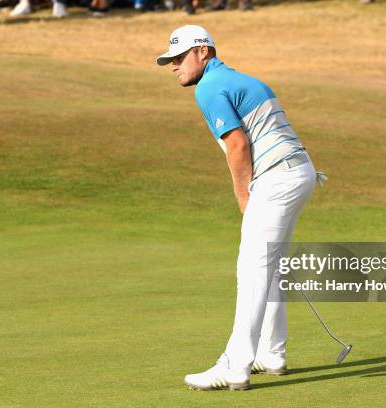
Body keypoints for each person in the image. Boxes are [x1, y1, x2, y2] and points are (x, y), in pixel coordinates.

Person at [156, 25, 326, 391]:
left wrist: (243, 196)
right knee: (270, 263)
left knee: (252, 268)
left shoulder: (210, 86)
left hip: (277, 179)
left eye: (179, 57)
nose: (174, 66)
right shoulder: (238, 79)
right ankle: (272, 352)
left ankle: (235, 366)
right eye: (171, 59)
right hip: (300, 173)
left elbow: (237, 145)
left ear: (203, 51)